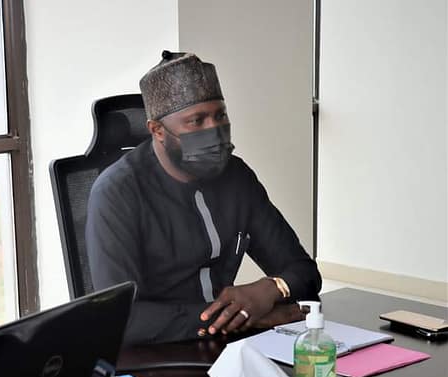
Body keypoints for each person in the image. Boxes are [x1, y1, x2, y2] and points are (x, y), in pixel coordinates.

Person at [86, 51, 321, 346]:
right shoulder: (116, 193)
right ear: (157, 130)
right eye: (196, 121)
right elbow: (123, 319)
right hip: (154, 358)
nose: (214, 130)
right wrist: (246, 319)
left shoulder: (236, 177)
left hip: (227, 348)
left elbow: (305, 273)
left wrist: (269, 290)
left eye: (220, 115)